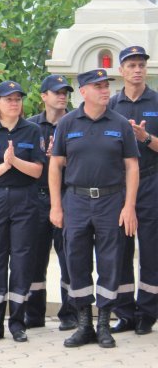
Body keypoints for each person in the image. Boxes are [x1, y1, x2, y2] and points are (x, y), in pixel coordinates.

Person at [50, 68, 139, 349]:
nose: (105, 90)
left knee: (110, 262)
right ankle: (84, 322)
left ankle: (103, 324)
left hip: (111, 201)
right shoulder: (67, 123)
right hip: (76, 200)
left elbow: (132, 167)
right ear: (83, 92)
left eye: (106, 85)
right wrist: (56, 206)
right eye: (98, 86)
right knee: (76, 261)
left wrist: (129, 206)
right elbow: (55, 166)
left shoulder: (121, 123)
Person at [0, 80, 45, 343]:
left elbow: (38, 171)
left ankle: (17, 322)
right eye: (9, 99)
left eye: (18, 99)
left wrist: (15, 161)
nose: (14, 103)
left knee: (22, 260)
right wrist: (5, 166)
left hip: (24, 199)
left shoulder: (32, 130)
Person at [109, 46, 158, 336]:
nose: (137, 69)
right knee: (119, 249)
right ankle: (124, 312)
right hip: (119, 187)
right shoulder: (112, 104)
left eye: (141, 64)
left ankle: (148, 313)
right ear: (121, 71)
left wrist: (146, 137)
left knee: (151, 250)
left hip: (151, 182)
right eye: (131, 65)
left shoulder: (157, 101)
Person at [24, 75, 78, 331]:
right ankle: (34, 315)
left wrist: (62, 159)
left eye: (65, 92)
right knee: (34, 259)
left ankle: (70, 314)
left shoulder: (76, 123)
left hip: (68, 197)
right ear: (44, 96)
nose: (62, 96)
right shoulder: (31, 126)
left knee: (69, 258)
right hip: (36, 197)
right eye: (56, 92)